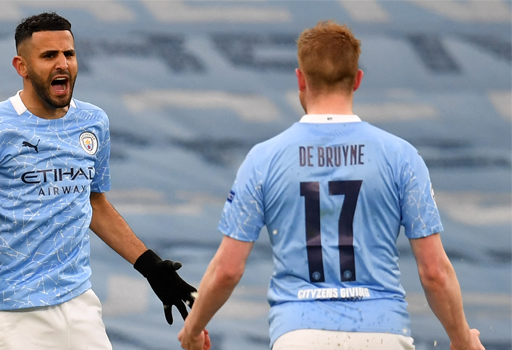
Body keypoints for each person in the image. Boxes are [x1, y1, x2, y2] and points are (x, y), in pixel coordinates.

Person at [178, 20, 485, 350]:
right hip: (382, 331)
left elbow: (227, 270)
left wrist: (194, 329)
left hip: (299, 334)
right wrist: (461, 339)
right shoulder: (400, 157)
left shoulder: (264, 159)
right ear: (357, 80)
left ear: (300, 78)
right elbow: (434, 272)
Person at [0, 12, 197, 350]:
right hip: (7, 316)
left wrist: (151, 267)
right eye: (48, 56)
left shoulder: (93, 122)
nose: (62, 64)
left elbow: (94, 203)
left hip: (78, 306)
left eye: (68, 54)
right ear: (21, 66)